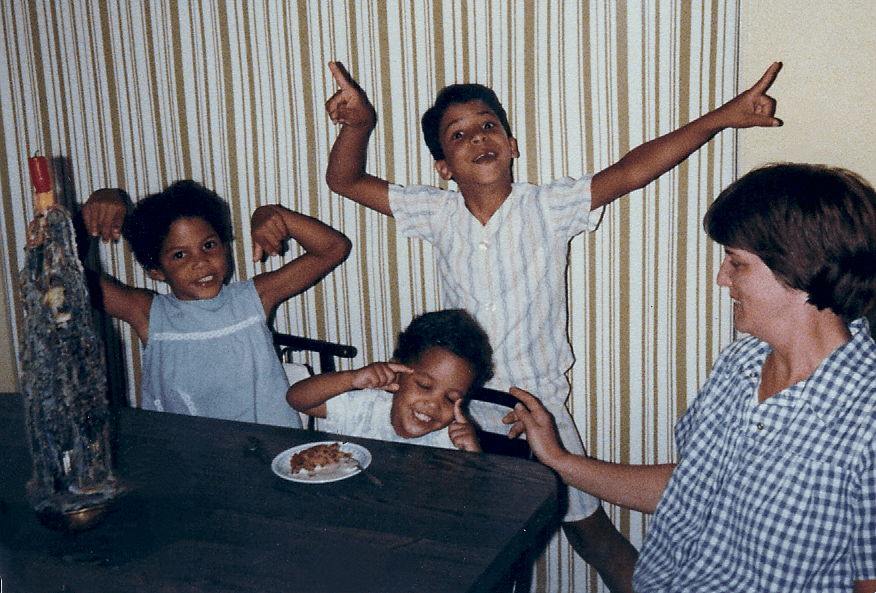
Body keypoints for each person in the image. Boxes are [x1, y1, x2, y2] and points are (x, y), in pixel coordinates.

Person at [323, 59, 783, 591]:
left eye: (488, 125)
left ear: (513, 144)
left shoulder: (548, 206)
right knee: (454, 536)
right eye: (459, 134)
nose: (477, 138)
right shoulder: (435, 212)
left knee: (592, 534)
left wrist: (722, 118)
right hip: (456, 406)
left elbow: (632, 170)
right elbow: (345, 180)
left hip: (534, 408)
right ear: (443, 166)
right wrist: (357, 126)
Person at [509, 163, 876, 593]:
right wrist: (559, 460)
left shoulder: (866, 421)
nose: (722, 278)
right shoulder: (739, 365)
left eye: (736, 263)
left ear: (800, 269)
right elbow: (691, 486)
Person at [79, 180, 351, 425]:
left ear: (225, 245)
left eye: (208, 245)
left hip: (269, 457)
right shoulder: (150, 314)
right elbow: (60, 278)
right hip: (186, 465)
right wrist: (91, 213)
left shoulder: (251, 299)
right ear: (157, 271)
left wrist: (275, 215)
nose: (200, 262)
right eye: (180, 255)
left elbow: (333, 248)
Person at [287, 309, 492, 451]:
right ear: (397, 370)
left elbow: (471, 493)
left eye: (451, 399)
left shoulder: (451, 439)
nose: (433, 404)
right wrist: (352, 378)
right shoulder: (365, 408)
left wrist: (473, 456)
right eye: (424, 385)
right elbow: (296, 399)